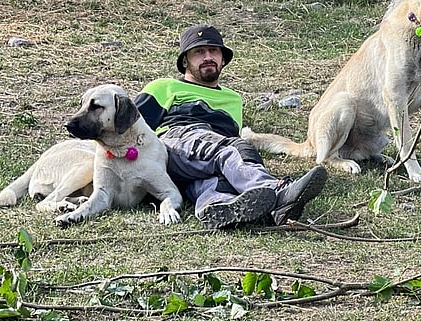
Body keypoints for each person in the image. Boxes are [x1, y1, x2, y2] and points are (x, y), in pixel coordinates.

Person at [134, 24, 327, 229]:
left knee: (218, 177)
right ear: (185, 61)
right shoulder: (164, 87)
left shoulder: (233, 99)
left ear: (223, 59)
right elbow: (128, 125)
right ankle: (277, 191)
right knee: (232, 150)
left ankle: (218, 206)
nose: (207, 56)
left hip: (196, 165)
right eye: (199, 52)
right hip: (176, 142)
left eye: (213, 51)